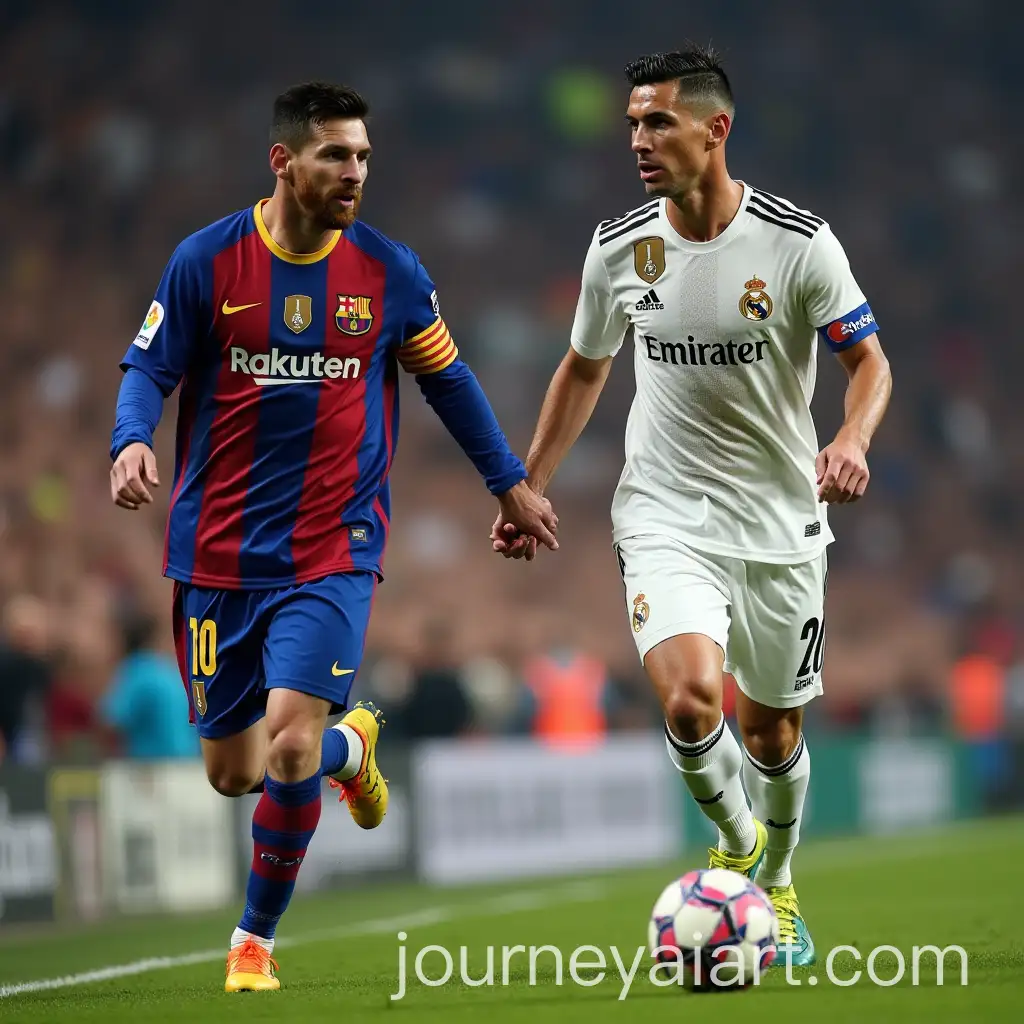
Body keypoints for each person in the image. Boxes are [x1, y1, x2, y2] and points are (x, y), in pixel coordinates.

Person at [109, 81, 557, 993]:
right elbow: (148, 368)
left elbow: (451, 381)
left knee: (287, 748)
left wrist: (509, 482)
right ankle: (355, 749)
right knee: (236, 774)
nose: (355, 172)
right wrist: (128, 442)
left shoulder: (389, 272)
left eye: (362, 156)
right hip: (217, 553)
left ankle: (253, 943)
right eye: (334, 156)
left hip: (333, 550)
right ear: (283, 161)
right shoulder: (206, 262)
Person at [492, 47, 892, 967]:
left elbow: (869, 361)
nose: (637, 139)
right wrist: (531, 483)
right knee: (687, 702)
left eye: (657, 121)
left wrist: (851, 439)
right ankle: (742, 846)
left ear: (715, 130)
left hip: (782, 521)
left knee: (772, 728)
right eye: (632, 122)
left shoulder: (799, 243)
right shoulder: (618, 247)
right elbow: (585, 368)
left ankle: (779, 879)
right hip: (665, 511)